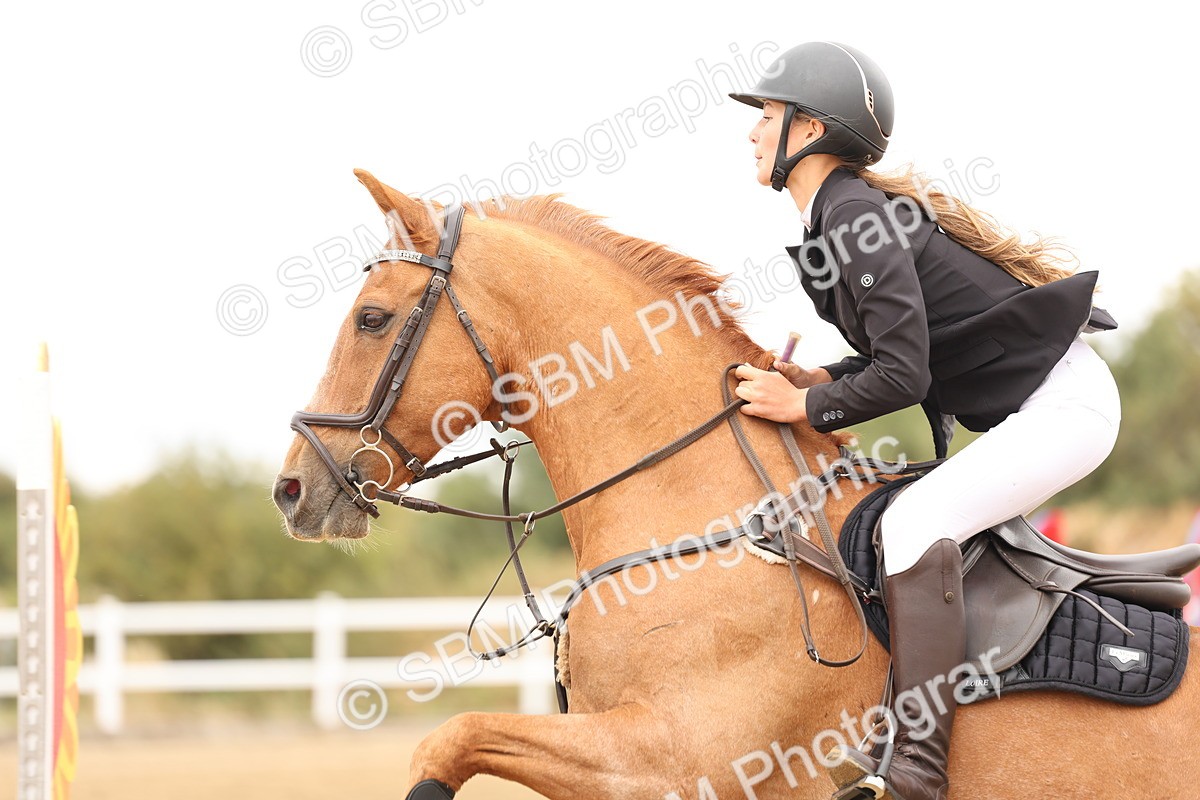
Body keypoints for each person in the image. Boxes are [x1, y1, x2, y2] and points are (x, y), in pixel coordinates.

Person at [728, 42, 1121, 800]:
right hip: (1054, 404)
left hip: (1067, 407)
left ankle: (917, 767)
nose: (752, 131)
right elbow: (903, 352)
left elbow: (905, 375)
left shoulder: (851, 214)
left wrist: (802, 406)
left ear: (809, 129)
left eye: (768, 115)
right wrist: (822, 380)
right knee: (913, 520)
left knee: (913, 524)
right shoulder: (837, 217)